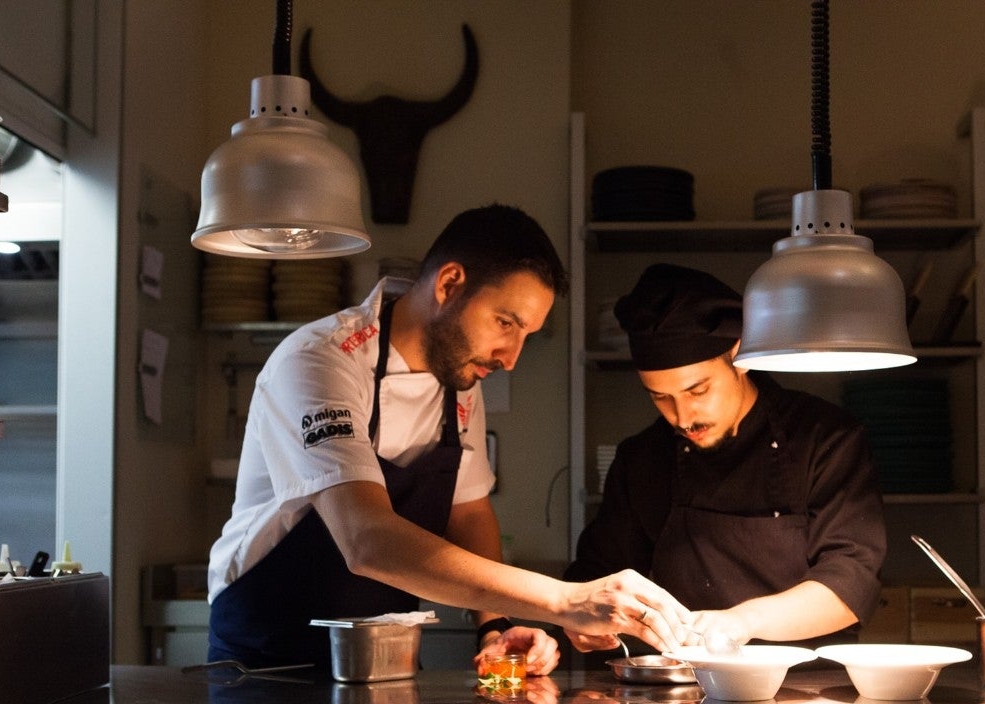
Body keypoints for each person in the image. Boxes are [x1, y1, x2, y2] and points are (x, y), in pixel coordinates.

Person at [206, 205, 690, 674]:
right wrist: (565, 600)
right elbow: (367, 540)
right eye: (506, 323)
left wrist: (494, 628)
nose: (511, 358)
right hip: (266, 660)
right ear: (449, 283)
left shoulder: (456, 382)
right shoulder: (320, 362)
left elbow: (468, 510)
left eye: (526, 335)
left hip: (378, 661)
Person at [564, 263, 886, 652]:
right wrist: (582, 624)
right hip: (683, 689)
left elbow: (850, 582)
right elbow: (596, 579)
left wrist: (739, 622)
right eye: (660, 397)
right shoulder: (642, 458)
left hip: (811, 687)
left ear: (740, 355)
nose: (681, 418)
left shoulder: (825, 438)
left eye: (697, 390)